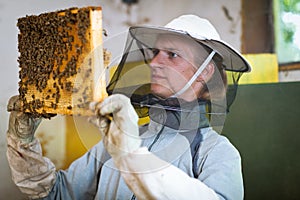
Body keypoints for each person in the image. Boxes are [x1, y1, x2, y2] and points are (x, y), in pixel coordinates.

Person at [6, 15, 251, 200]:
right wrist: (23, 142)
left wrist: (131, 155)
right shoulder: (120, 138)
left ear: (204, 71)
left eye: (172, 54)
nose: (154, 62)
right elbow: (58, 194)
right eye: (155, 52)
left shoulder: (216, 153)